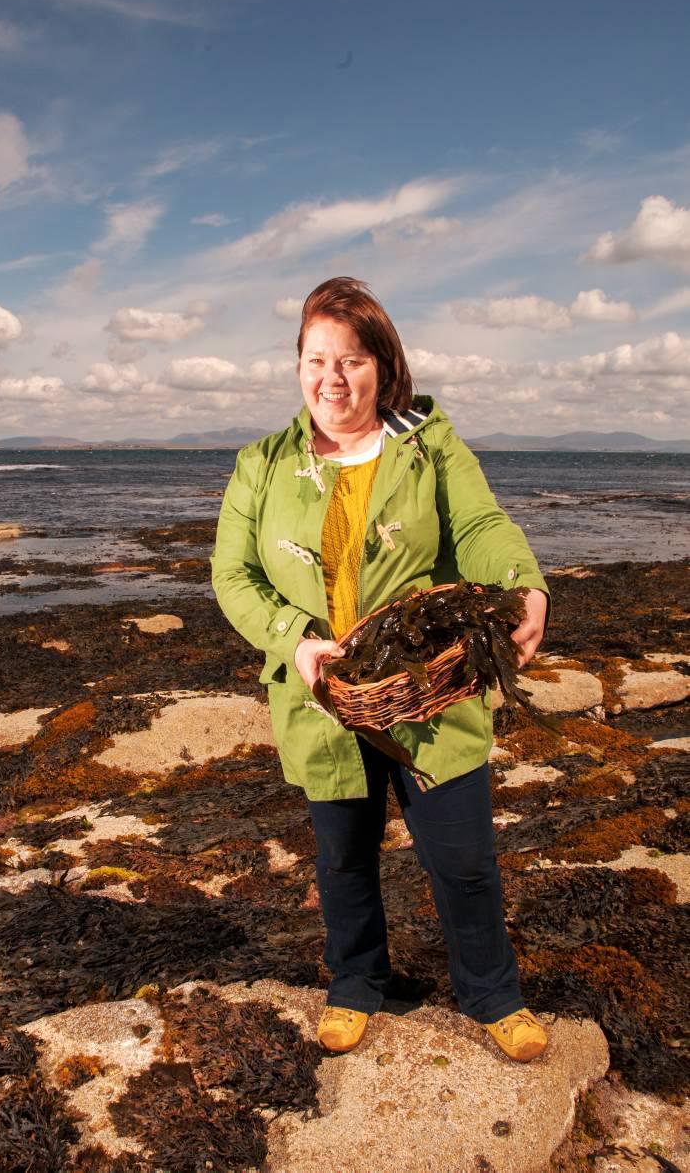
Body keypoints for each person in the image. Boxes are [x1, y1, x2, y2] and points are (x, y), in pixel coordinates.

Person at [211, 277, 550, 1062]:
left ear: (383, 366)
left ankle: (493, 994)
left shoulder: (429, 446)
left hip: (424, 689)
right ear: (297, 364)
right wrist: (294, 639)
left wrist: (525, 583)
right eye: (318, 359)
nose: (334, 378)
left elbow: (482, 525)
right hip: (321, 698)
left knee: (461, 858)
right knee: (342, 856)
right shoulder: (261, 466)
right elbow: (234, 577)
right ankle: (356, 982)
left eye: (353, 360)